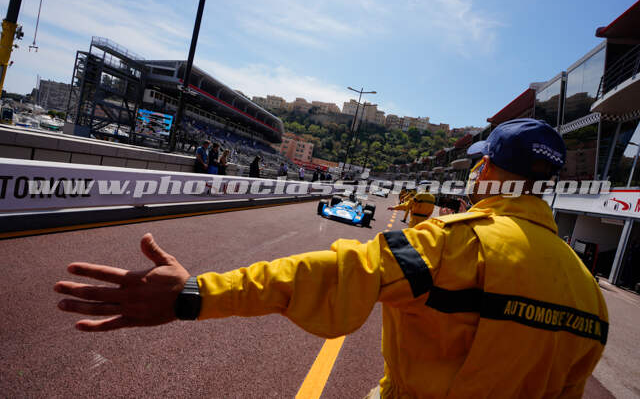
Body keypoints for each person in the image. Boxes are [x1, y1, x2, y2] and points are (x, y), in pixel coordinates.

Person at [55, 118, 609, 398]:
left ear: (486, 170)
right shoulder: (588, 289)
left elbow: (335, 274)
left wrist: (196, 294)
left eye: (477, 164)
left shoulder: (456, 241)